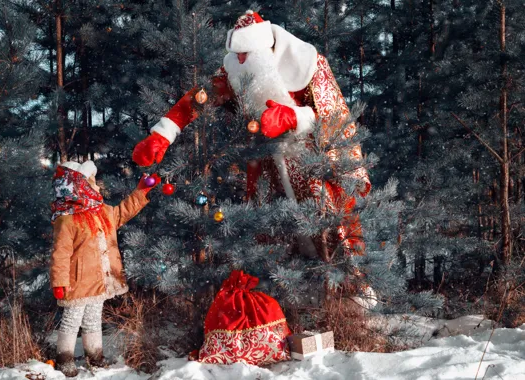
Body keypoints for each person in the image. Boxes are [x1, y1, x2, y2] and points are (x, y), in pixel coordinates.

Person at [132, 10, 371, 261]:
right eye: (238, 56)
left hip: (315, 164)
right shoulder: (237, 69)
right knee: (272, 239)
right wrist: (163, 133)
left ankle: (346, 290)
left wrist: (293, 117)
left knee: (332, 232)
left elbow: (335, 117)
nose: (242, 60)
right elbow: (199, 98)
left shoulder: (308, 63)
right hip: (267, 166)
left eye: (247, 54)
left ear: (263, 51)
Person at [49, 160, 159, 377]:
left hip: (99, 279)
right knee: (72, 320)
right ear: (80, 187)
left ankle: (95, 356)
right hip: (78, 281)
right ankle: (64, 360)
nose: (97, 187)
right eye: (92, 183)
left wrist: (141, 191)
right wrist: (59, 282)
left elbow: (124, 211)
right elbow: (60, 254)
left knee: (92, 319)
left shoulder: (103, 212)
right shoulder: (66, 220)